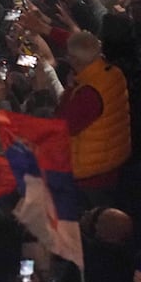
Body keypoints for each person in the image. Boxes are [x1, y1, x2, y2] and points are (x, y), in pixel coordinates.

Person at [59, 30, 131, 200]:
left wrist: (69, 89)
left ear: (75, 60)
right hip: (112, 164)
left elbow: (61, 127)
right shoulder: (113, 73)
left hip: (91, 176)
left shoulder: (88, 94)